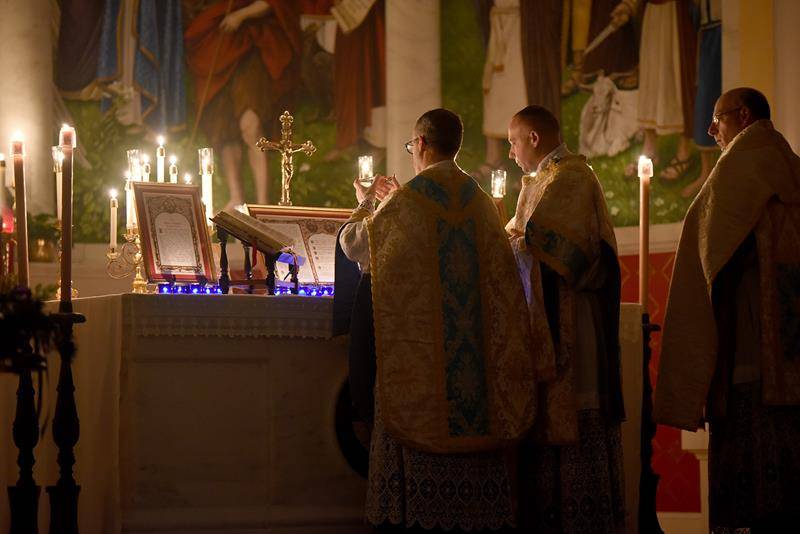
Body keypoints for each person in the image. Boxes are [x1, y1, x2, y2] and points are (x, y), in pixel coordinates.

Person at [335, 108, 541, 532]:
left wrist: (367, 203)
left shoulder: (404, 205)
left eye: (412, 146)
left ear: (422, 145)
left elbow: (357, 246)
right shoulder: (483, 208)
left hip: (422, 387)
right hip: (478, 391)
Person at [654, 88, 800, 532]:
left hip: (748, 341)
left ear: (742, 115)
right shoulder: (790, 164)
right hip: (789, 349)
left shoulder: (740, 164)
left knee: (747, 485)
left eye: (716, 119)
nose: (711, 129)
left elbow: (711, 255)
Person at [506, 105, 626, 533]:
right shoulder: (539, 182)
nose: (511, 152)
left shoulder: (572, 178)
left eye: (514, 142)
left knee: (578, 412)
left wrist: (516, 241)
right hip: (545, 321)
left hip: (573, 322)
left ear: (534, 139)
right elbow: (523, 235)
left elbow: (554, 250)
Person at [184, 0, 302, 207]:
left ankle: (263, 202)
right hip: (218, 45)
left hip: (251, 43)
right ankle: (236, 197)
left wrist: (242, 14)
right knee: (225, 130)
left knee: (251, 126)